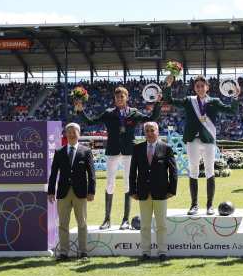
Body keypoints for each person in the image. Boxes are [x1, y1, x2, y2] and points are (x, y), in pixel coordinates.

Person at [75, 86, 161, 230]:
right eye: (117, 97)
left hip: (129, 151)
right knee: (110, 184)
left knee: (128, 184)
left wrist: (158, 103)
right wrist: (79, 110)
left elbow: (151, 118)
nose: (119, 99)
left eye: (122, 96)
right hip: (113, 150)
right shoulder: (109, 113)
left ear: (127, 97)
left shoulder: (133, 113)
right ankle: (107, 219)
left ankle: (125, 220)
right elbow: (90, 122)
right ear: (114, 99)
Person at [163, 75, 239, 215]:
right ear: (194, 88)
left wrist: (235, 97)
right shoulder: (189, 100)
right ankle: (194, 205)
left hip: (208, 139)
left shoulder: (214, 101)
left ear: (207, 87)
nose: (200, 88)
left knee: (210, 171)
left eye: (202, 86)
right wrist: (168, 86)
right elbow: (169, 100)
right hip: (192, 140)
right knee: (193, 171)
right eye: (197, 86)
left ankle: (210, 206)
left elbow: (232, 111)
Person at [129, 122, 177, 262]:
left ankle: (162, 251)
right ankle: (145, 252)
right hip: (142, 192)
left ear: (157, 131)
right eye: (147, 131)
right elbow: (132, 172)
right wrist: (133, 190)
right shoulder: (138, 148)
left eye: (152, 130)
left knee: (161, 225)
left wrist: (172, 190)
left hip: (161, 192)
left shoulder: (166, 148)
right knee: (144, 225)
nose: (149, 133)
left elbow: (173, 171)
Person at [48, 123, 96, 261]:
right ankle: (64, 252)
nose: (71, 134)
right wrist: (51, 191)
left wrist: (91, 191)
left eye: (74, 132)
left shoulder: (86, 151)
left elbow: (91, 174)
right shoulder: (59, 152)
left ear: (79, 134)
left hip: (81, 193)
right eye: (68, 132)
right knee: (63, 224)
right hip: (63, 193)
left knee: (82, 223)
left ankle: (83, 252)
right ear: (65, 134)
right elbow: (53, 174)